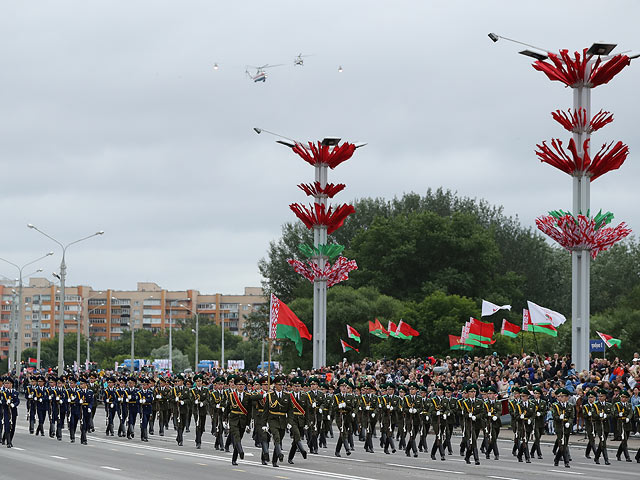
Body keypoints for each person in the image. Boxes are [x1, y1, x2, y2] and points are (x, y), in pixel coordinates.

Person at [263, 375, 291, 466]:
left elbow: (290, 410)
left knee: (280, 439)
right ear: (275, 385)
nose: (281, 386)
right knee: (276, 437)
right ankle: (280, 454)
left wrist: (289, 422)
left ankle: (274, 461)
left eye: (282, 384)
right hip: (273, 420)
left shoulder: (287, 395)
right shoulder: (270, 396)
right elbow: (266, 411)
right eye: (279, 384)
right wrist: (264, 423)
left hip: (282, 420)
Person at [227, 376, 252, 466]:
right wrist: (224, 420)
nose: (241, 386)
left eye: (242, 384)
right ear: (236, 385)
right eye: (239, 384)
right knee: (236, 436)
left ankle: (234, 459)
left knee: (239, 439)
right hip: (233, 420)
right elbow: (227, 409)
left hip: (243, 421)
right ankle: (241, 452)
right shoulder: (231, 395)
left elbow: (249, 412)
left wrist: (248, 424)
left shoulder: (248, 396)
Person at [552, 388, 573, 468]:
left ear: (567, 397)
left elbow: (572, 417)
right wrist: (559, 417)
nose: (561, 398)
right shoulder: (555, 406)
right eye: (561, 396)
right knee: (561, 444)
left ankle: (556, 459)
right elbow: (554, 416)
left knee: (565, 444)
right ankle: (566, 462)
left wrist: (569, 422)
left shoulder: (570, 406)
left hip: (567, 427)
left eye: (564, 396)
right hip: (559, 427)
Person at [593, 388, 612, 465]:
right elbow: (593, 415)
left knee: (602, 442)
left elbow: (612, 413)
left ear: (605, 397)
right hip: (599, 426)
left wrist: (606, 416)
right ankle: (606, 460)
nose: (600, 398)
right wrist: (598, 416)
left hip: (606, 426)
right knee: (603, 442)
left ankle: (596, 456)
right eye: (599, 396)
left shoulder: (609, 405)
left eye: (601, 396)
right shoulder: (595, 405)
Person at [191, 374, 210, 449]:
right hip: (196, 411)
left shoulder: (205, 390)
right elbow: (191, 399)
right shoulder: (193, 390)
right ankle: (198, 442)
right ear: (195, 382)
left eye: (200, 381)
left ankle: (198, 438)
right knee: (198, 425)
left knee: (202, 427)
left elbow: (208, 398)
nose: (199, 382)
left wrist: (203, 403)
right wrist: (194, 402)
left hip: (203, 410)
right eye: (197, 381)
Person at [614, 390, 633, 462]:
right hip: (620, 423)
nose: (623, 399)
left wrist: (628, 418)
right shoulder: (617, 405)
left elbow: (631, 412)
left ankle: (618, 454)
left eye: (624, 397)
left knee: (625, 440)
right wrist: (618, 415)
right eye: (622, 397)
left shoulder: (629, 405)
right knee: (624, 440)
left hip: (627, 424)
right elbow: (614, 413)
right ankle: (627, 456)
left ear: (627, 398)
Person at [78, 376, 94, 445]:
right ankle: (84, 439)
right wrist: (79, 401)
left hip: (87, 409)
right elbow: (76, 400)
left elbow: (91, 401)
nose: (81, 385)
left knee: (87, 424)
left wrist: (90, 407)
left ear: (85, 384)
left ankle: (83, 437)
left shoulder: (90, 392)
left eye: (82, 384)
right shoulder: (78, 392)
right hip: (81, 409)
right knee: (83, 424)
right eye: (80, 384)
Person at [139, 377, 155, 442]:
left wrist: (145, 400)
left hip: (148, 408)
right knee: (144, 422)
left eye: (145, 385)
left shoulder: (150, 392)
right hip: (142, 409)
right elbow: (137, 400)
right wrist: (140, 401)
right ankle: (145, 436)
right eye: (143, 385)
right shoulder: (139, 392)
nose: (144, 386)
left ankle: (142, 435)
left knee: (147, 422)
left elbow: (151, 400)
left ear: (148, 385)